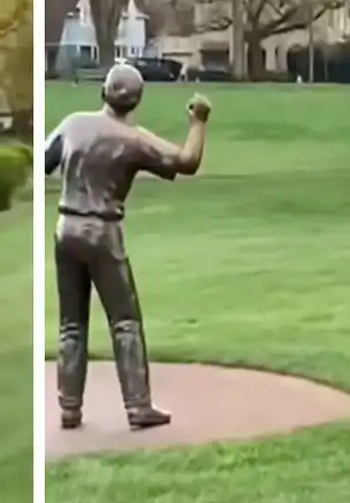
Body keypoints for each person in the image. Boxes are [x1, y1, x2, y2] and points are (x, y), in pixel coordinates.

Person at [44, 64, 210, 431]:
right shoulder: (135, 140)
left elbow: (41, 161)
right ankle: (138, 406)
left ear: (103, 92)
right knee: (125, 320)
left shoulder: (73, 123)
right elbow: (187, 161)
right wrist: (198, 121)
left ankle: (69, 408)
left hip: (65, 227)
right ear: (135, 101)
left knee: (71, 323)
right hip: (103, 232)